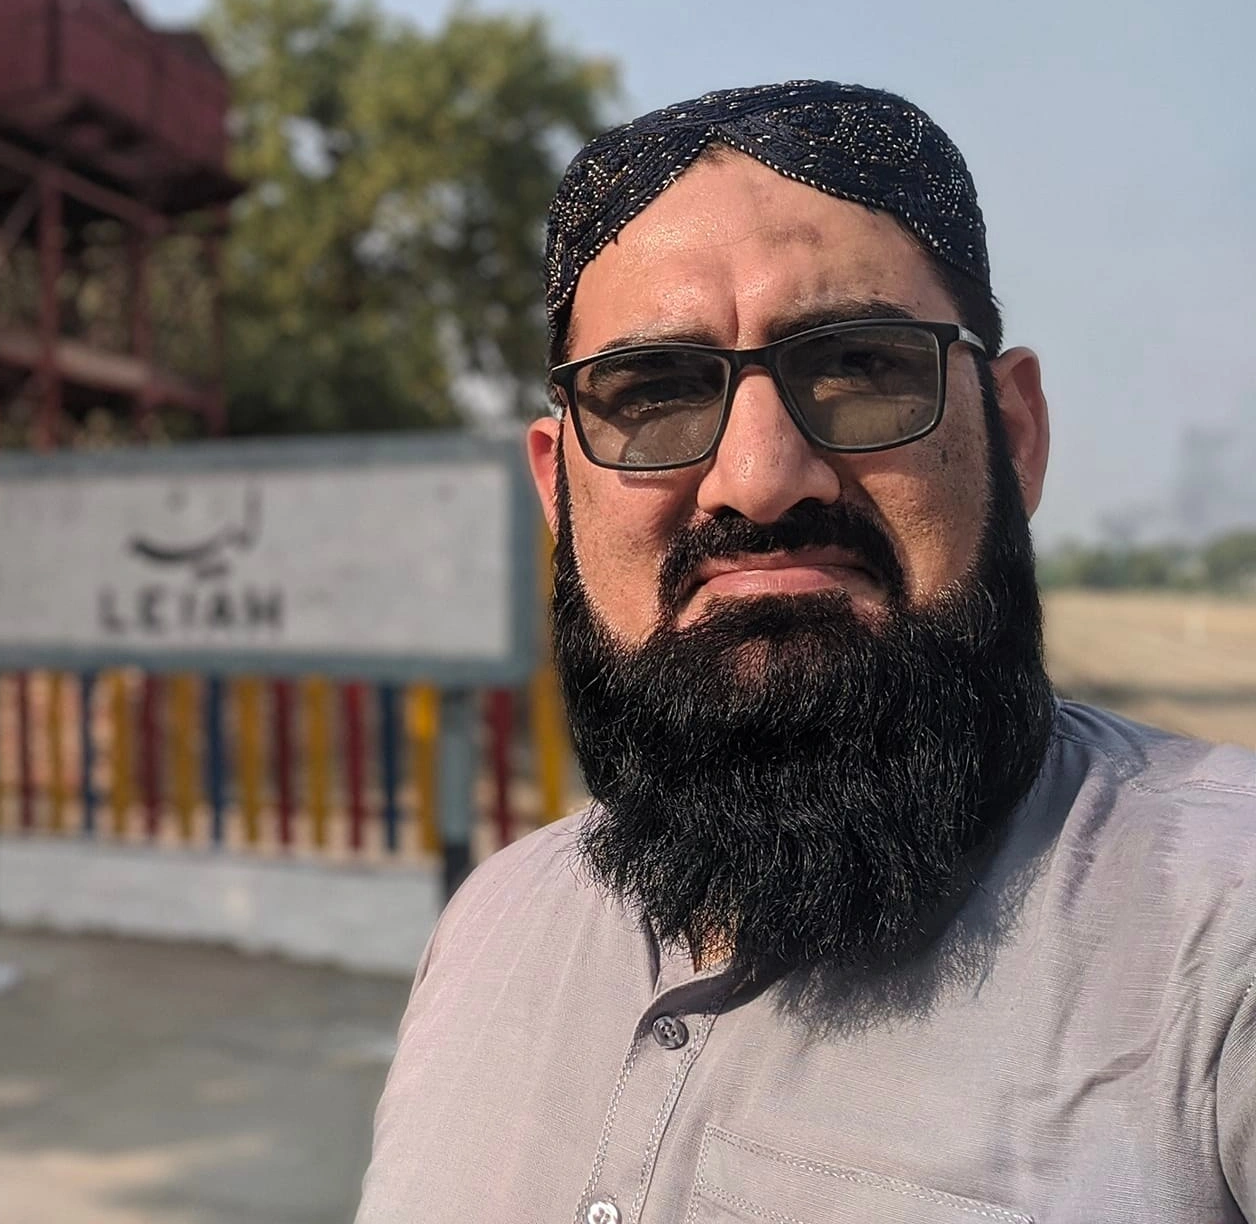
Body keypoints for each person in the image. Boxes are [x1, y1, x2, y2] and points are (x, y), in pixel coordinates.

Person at [357, 80, 1256, 1222]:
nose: (759, 479)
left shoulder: (1217, 935)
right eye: (652, 392)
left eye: (860, 368)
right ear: (557, 489)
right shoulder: (492, 927)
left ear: (1016, 435)